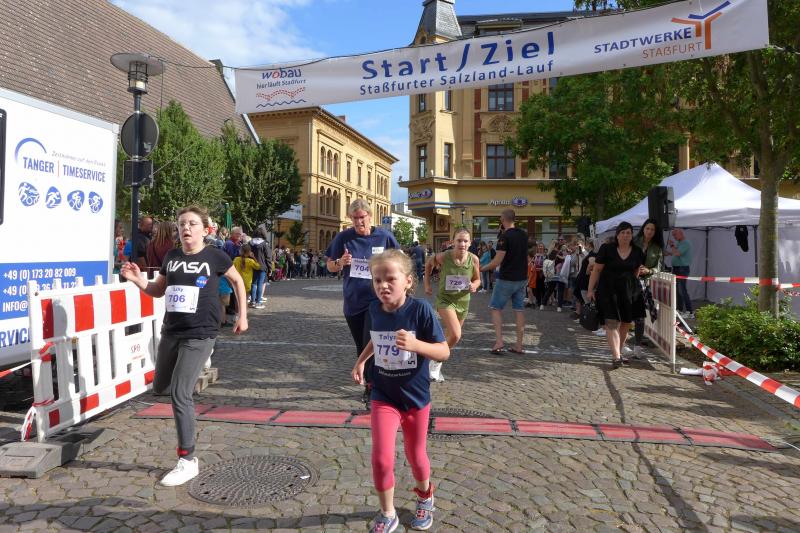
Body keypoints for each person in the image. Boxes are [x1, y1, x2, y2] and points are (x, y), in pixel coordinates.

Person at [120, 205, 247, 486]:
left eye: (191, 223)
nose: (186, 228)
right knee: (161, 387)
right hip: (172, 331)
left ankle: (187, 459)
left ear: (205, 229)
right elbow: (158, 290)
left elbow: (237, 281)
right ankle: (184, 396)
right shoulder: (172, 256)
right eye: (181, 224)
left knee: (180, 393)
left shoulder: (215, 256)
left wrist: (243, 316)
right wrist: (138, 279)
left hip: (201, 333)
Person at [351, 249, 449, 533]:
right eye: (377, 280)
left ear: (407, 281)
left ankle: (425, 496)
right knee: (381, 458)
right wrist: (361, 361)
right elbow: (376, 339)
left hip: (416, 398)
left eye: (390, 279)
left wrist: (416, 345)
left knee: (416, 456)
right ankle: (388, 513)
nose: (383, 285)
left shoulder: (421, 310)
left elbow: (443, 351)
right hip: (384, 396)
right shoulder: (374, 309)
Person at [326, 199, 400, 408]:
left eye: (362, 217)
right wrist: (340, 263)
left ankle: (372, 388)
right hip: (353, 300)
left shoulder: (384, 236)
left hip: (377, 300)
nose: (359, 221)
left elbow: (399, 261)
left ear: (370, 216)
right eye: (355, 218)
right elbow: (330, 265)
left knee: (372, 341)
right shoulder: (344, 238)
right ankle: (370, 381)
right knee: (361, 345)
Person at [424, 227, 480, 382]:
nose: (462, 244)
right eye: (459, 240)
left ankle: (435, 360)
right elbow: (428, 264)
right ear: (453, 242)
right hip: (445, 300)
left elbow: (477, 279)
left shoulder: (474, 259)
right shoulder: (444, 256)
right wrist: (427, 284)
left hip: (463, 302)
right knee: (456, 335)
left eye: (465, 241)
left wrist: (474, 285)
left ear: (470, 243)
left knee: (450, 336)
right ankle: (436, 361)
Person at [587, 222, 646, 368]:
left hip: (628, 291)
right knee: (611, 322)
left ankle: (618, 352)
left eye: (628, 233)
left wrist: (632, 288)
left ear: (632, 235)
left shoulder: (638, 251)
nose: (625, 235)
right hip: (608, 290)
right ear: (617, 235)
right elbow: (596, 270)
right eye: (622, 232)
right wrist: (590, 290)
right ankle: (616, 356)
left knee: (626, 322)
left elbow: (636, 271)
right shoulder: (607, 249)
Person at [480, 209, 529, 354]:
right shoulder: (523, 234)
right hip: (522, 278)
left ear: (502, 220)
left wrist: (481, 268)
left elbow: (497, 261)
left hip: (507, 278)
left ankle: (499, 341)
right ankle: (519, 345)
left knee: (496, 308)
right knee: (519, 310)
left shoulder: (504, 237)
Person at [631, 219, 664, 356]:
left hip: (644, 284)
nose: (649, 231)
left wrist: (648, 270)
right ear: (643, 229)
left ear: (655, 232)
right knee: (624, 313)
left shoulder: (657, 248)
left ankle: (637, 346)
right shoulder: (634, 241)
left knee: (640, 315)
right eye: (647, 228)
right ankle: (620, 345)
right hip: (628, 280)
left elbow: (658, 268)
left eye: (652, 230)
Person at [668, 228, 694, 318]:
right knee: (678, 291)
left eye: (675, 234)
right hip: (677, 268)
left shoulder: (686, 243)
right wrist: (669, 253)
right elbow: (675, 253)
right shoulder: (679, 243)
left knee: (682, 290)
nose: (674, 237)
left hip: (682, 269)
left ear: (681, 233)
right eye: (673, 235)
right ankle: (679, 309)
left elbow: (677, 253)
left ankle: (690, 312)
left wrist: (671, 245)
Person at [234, 243, 262, 307]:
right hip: (247, 282)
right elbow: (258, 266)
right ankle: (244, 311)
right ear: (249, 252)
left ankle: (237, 311)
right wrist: (254, 257)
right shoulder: (250, 261)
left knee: (237, 298)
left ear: (240, 251)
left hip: (238, 281)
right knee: (245, 299)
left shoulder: (236, 259)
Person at [250, 228, 271, 308]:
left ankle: (252, 301)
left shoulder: (250, 243)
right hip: (262, 266)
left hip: (252, 265)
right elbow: (268, 257)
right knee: (260, 283)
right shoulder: (264, 244)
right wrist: (270, 268)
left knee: (253, 283)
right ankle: (258, 302)